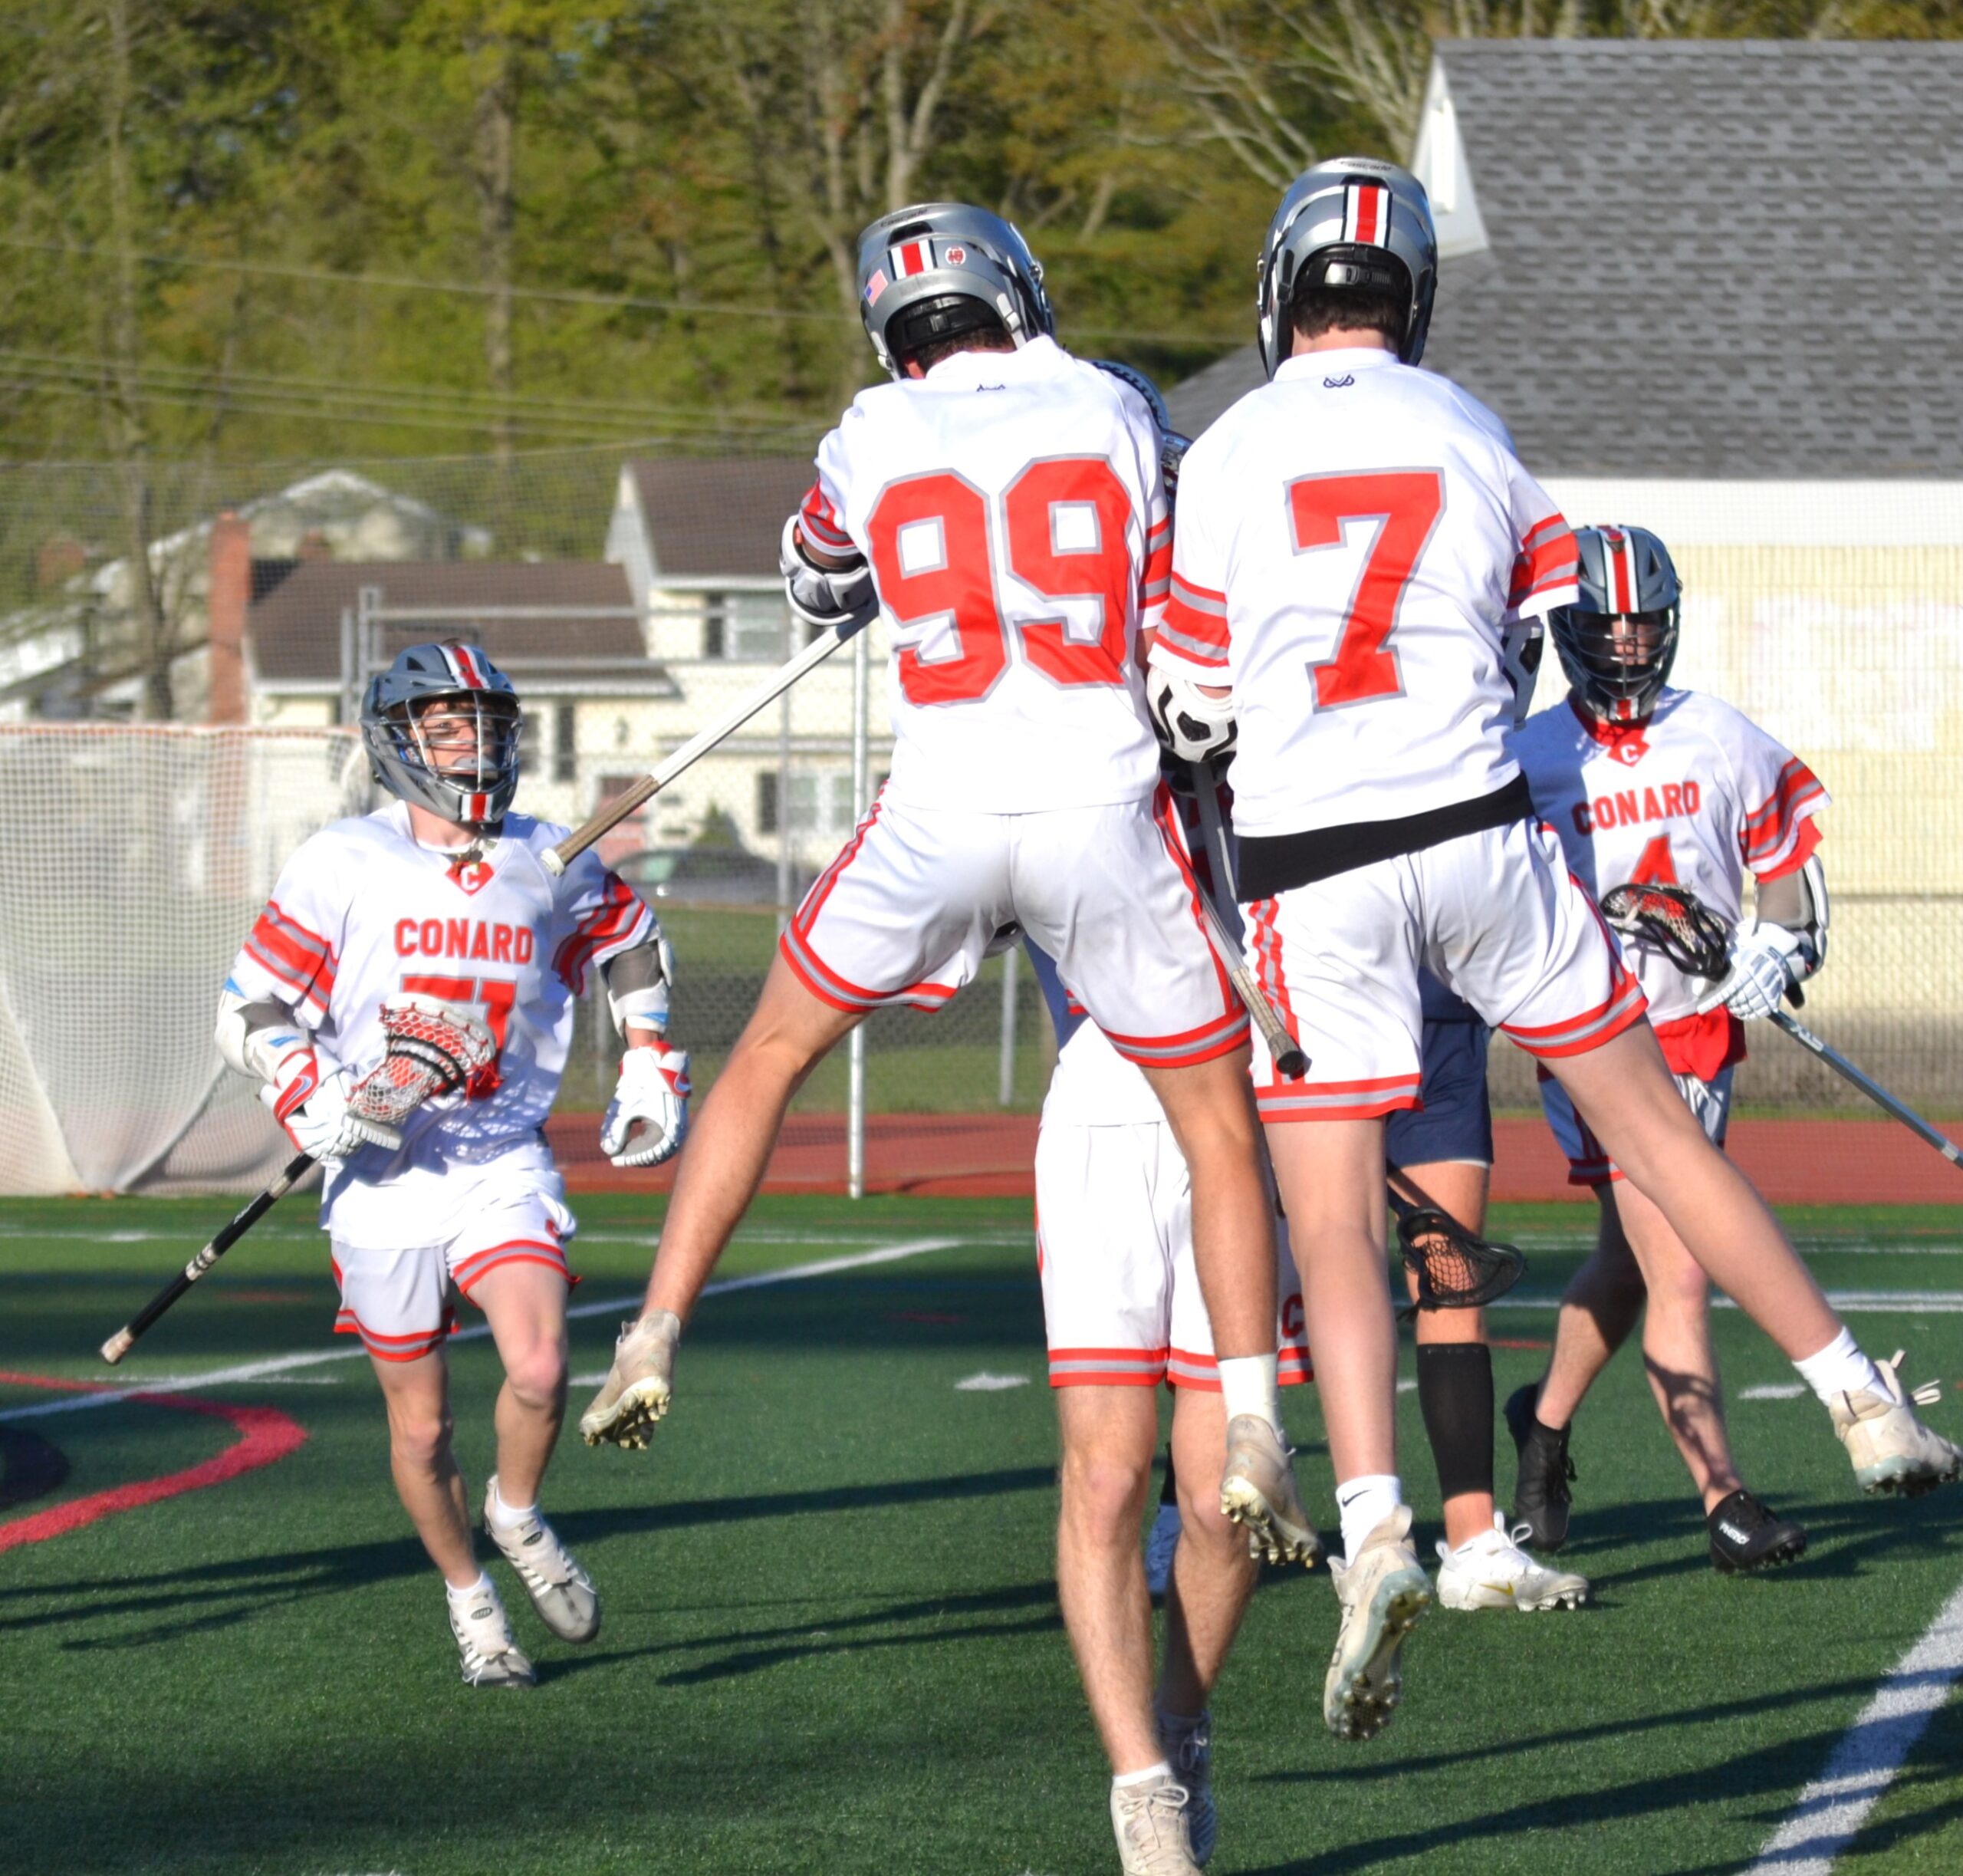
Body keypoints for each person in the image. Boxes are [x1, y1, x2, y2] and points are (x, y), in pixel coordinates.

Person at [1146, 156, 1959, 1741]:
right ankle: (1852, 1393)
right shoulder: (1467, 427)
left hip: (1316, 866)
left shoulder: (1229, 450)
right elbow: (1546, 598)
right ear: (1408, 300)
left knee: (1331, 1212)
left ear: (1277, 295)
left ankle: (1376, 1515)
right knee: (1656, 1131)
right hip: (1477, 829)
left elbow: (1191, 697)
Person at [580, 204, 1304, 1581]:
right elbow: (1189, 526)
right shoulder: (1110, 403)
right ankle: (1258, 1419)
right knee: (1218, 1127)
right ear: (1017, 291)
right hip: (1101, 799)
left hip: (942, 805)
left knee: (768, 1056)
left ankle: (655, 1326)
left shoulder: (864, 436)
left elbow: (812, 574)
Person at [215, 641, 689, 1687]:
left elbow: (630, 940)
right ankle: (471, 1599)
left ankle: (517, 1515)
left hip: (496, 1156)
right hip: (381, 1178)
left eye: (487, 723)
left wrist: (652, 1057)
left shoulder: (546, 854)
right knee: (422, 1430)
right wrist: (308, 1093)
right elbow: (247, 1003)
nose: (473, 744)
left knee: (539, 1364)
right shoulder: (343, 859)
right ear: (398, 739)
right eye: (447, 724)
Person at [1505, 524, 1831, 1572]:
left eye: (1649, 626)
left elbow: (1786, 859)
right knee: (1680, 1260)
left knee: (1632, 1262)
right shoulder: (1531, 757)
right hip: (1595, 1039)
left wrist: (1782, 942)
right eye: (1613, 627)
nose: (1635, 646)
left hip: (1700, 1028)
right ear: (1572, 631)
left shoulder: (1720, 735)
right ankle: (1724, 1499)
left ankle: (1544, 1424)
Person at [1143, 973, 1587, 1618]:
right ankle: (1183, 1508)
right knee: (1254, 1271)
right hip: (1313, 988)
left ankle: (1475, 1546)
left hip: (1440, 1000)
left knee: (1450, 1271)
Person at [1029, 942, 1309, 1875]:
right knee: (1107, 1482)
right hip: (1101, 1114)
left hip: (1247, 1109)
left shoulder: (1263, 787)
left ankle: (1180, 1727)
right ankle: (1143, 1789)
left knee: (1216, 1499)